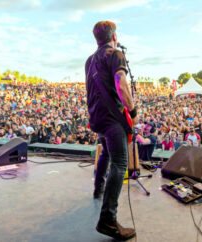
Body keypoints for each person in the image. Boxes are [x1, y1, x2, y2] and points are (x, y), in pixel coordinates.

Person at [85, 21, 137, 241]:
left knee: (106, 153)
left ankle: (98, 189)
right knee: (120, 163)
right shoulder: (115, 55)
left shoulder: (89, 60)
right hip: (112, 119)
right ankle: (108, 219)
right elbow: (121, 84)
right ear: (114, 36)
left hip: (97, 117)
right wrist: (132, 111)